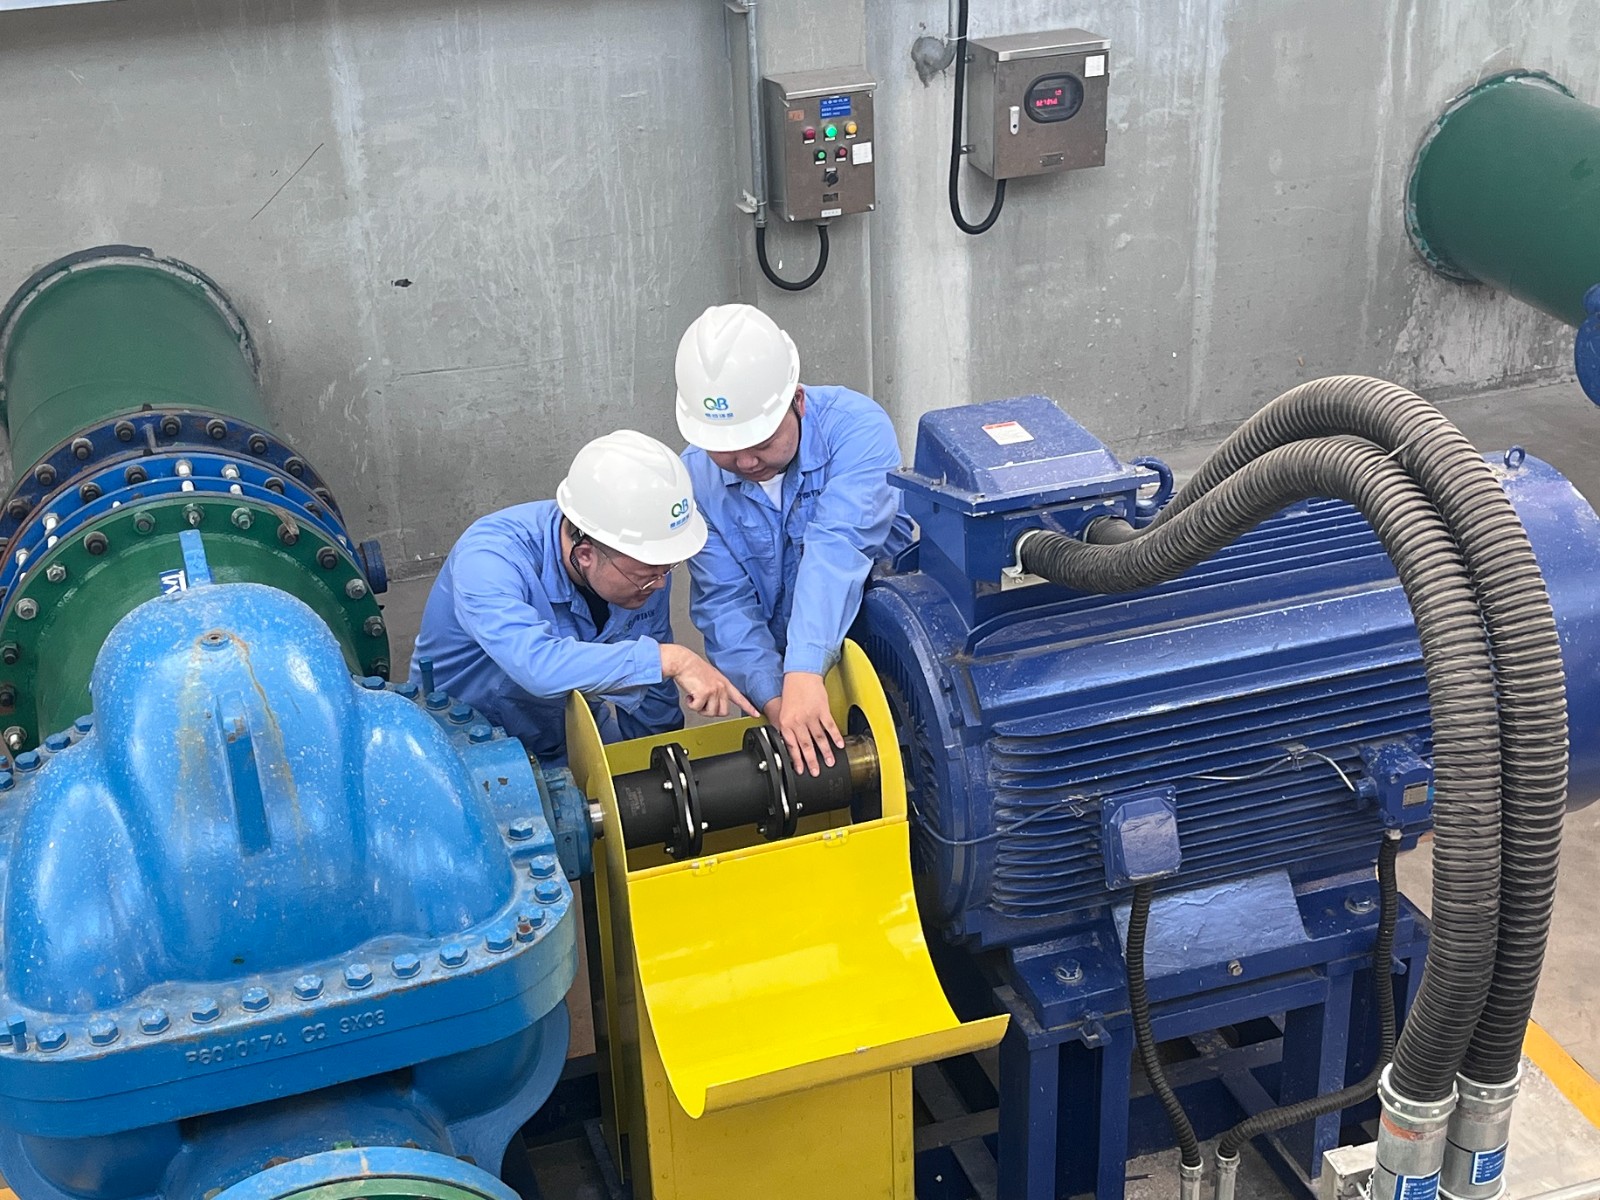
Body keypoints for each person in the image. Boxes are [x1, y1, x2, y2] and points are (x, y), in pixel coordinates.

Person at [409, 429, 756, 767]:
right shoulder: (489, 560)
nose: (660, 584)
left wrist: (660, 763)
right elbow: (537, 666)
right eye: (650, 574)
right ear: (585, 553)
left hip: (567, 727)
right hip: (464, 746)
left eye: (667, 568)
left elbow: (652, 687)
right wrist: (672, 659)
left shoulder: (642, 564)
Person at [675, 304, 912, 776]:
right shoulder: (696, 481)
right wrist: (775, 698)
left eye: (762, 443)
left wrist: (804, 670)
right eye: (725, 449)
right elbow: (726, 602)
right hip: (788, 678)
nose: (746, 462)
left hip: (897, 661)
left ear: (797, 401)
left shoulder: (857, 431)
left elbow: (838, 547)